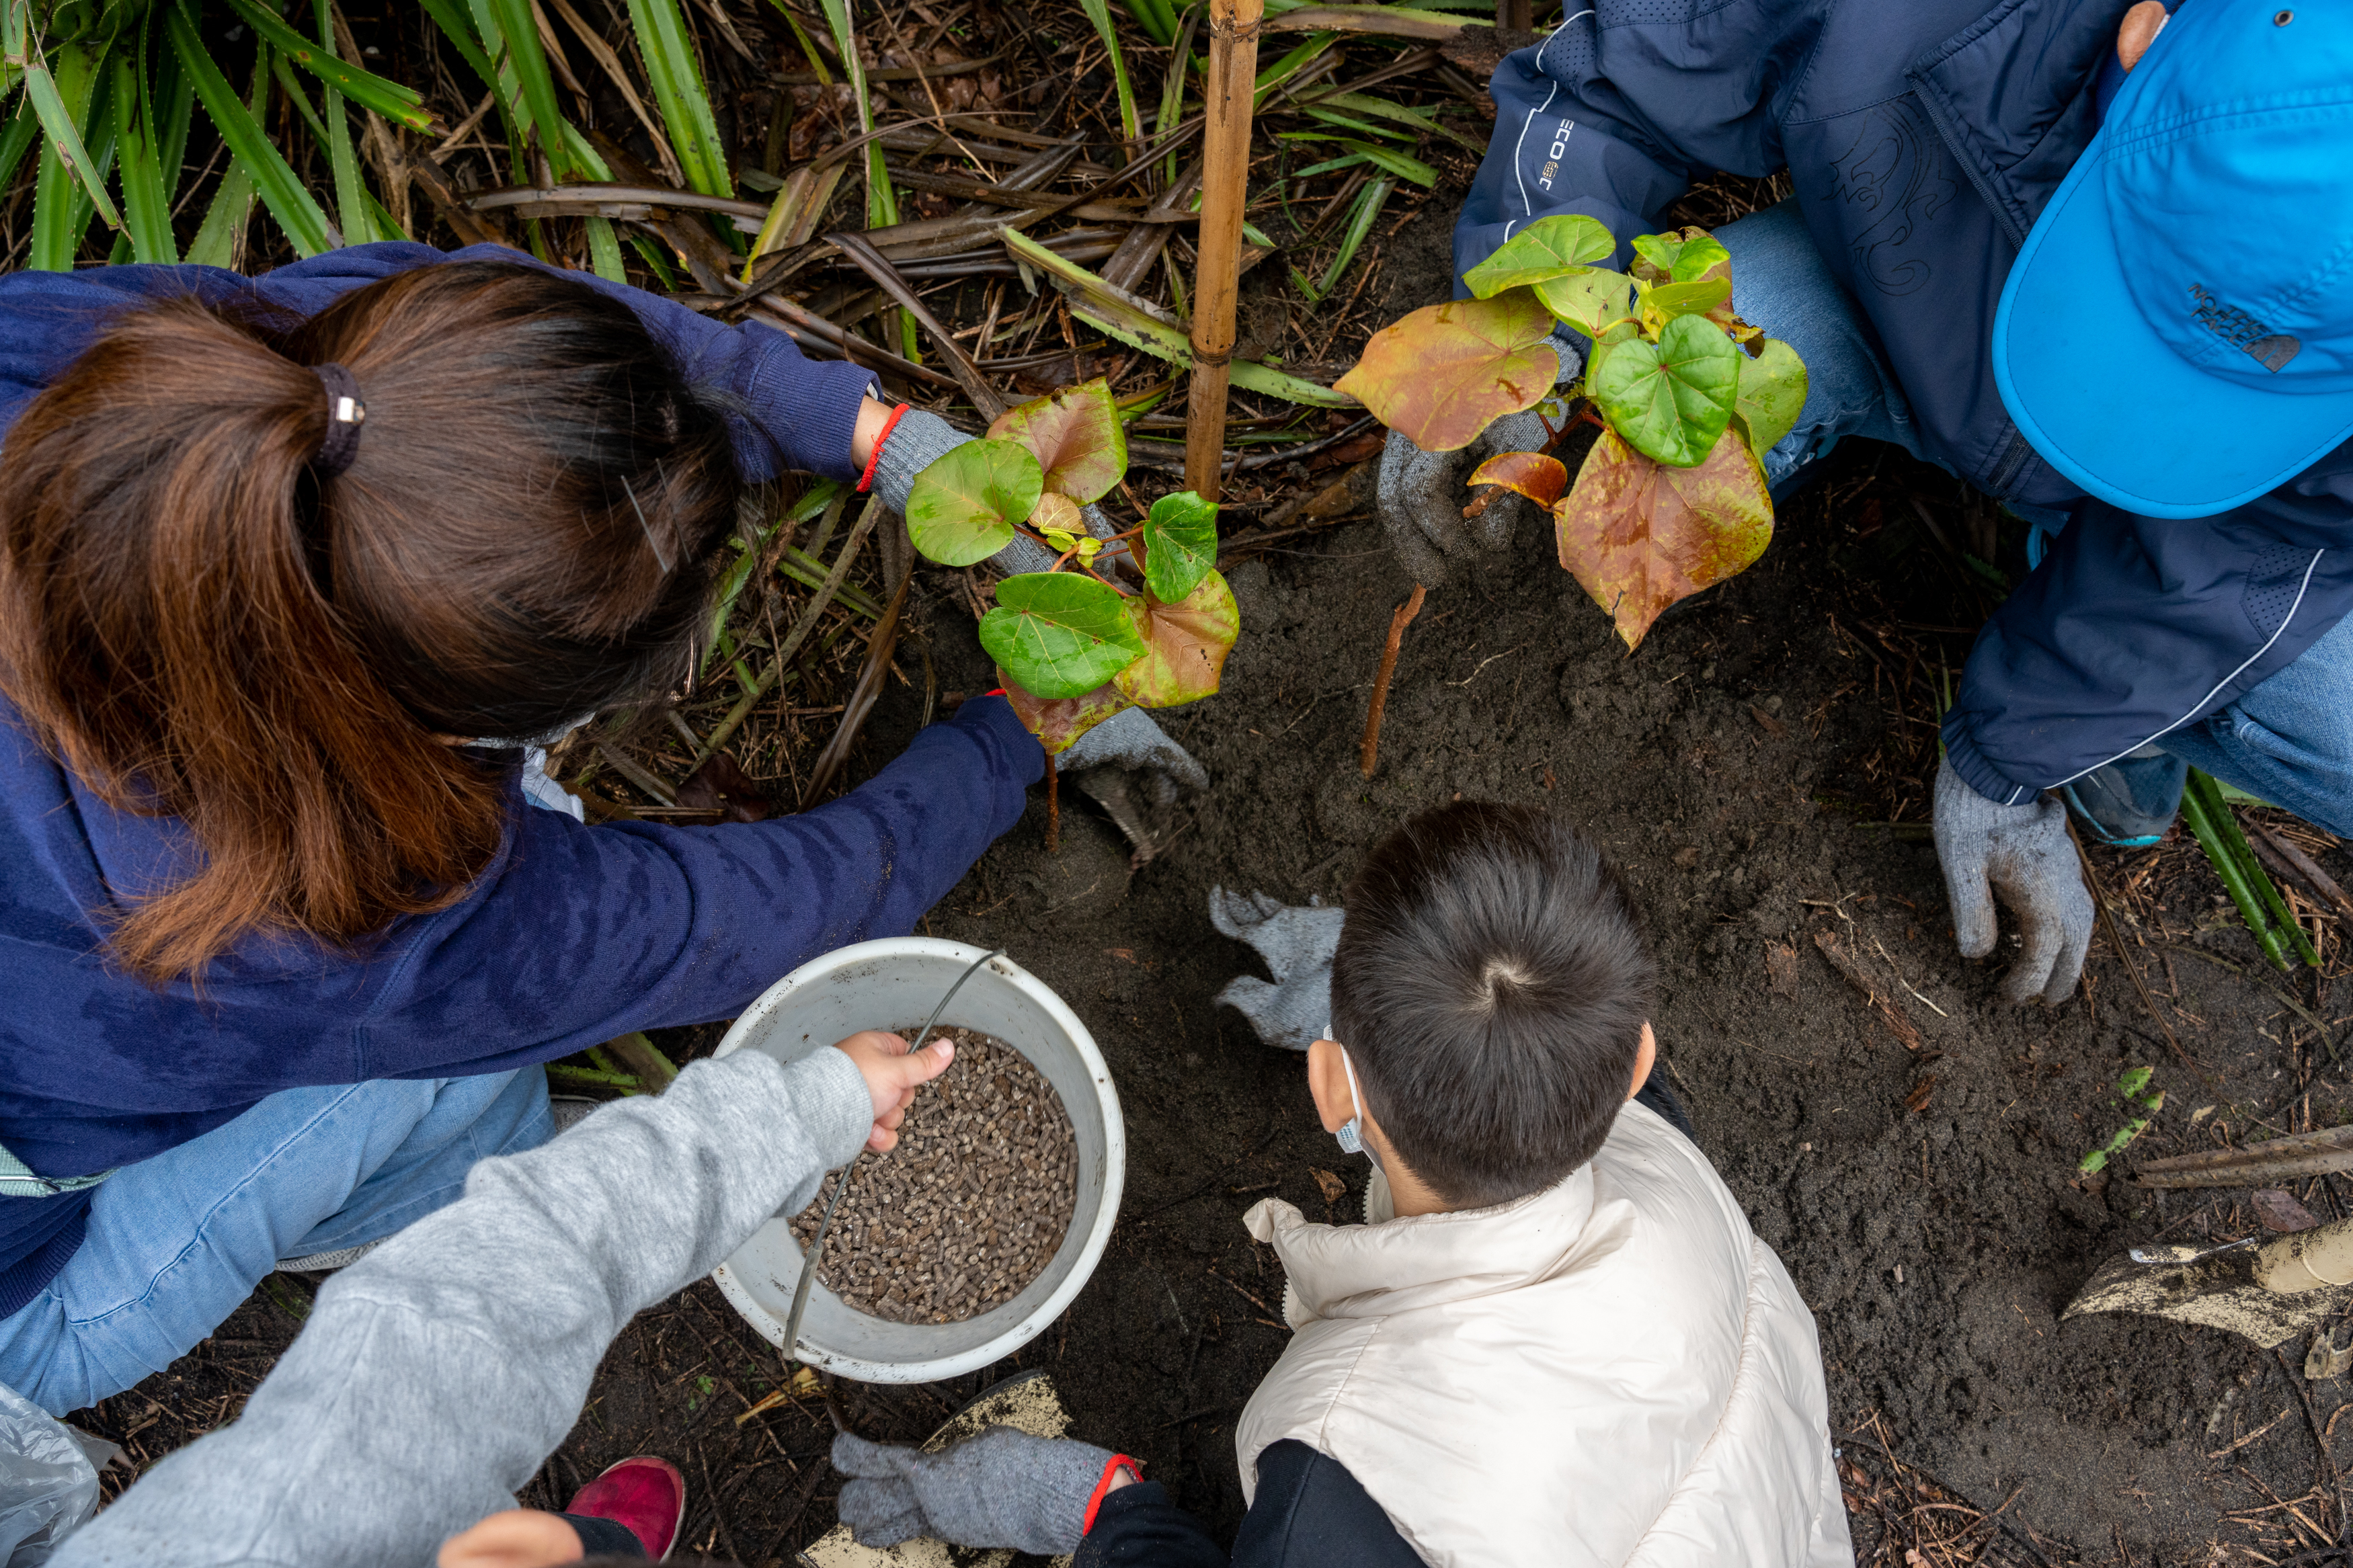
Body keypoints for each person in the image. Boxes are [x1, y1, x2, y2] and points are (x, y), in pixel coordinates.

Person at [0, 241, 1199, 1417]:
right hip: (26, 1306)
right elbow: (763, 909)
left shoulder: (110, 363)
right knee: (451, 1078)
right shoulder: (356, 930)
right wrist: (1015, 732)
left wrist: (860, 429)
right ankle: (412, 1202)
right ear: (489, 708)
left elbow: (475, 387)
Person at [1378, 0, 2353, 1006]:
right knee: (1619, 420)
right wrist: (1508, 351)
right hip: (1902, 284)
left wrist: (2014, 756)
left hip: (2214, 500)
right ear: (2144, 33)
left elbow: (2276, 549)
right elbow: (1611, 78)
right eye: (2134, 279)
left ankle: (2133, 712)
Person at [842, 803, 1850, 1566]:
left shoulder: (1339, 1480)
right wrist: (1434, 1009)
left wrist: (1102, 1512)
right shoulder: (1667, 1155)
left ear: (1329, 1082)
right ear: (1634, 1061)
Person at [43, 1024, 954, 1568]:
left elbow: (479, 1305)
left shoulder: (283, 1530)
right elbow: (510, 1274)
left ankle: (604, 1546)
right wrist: (805, 1112)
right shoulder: (291, 1525)